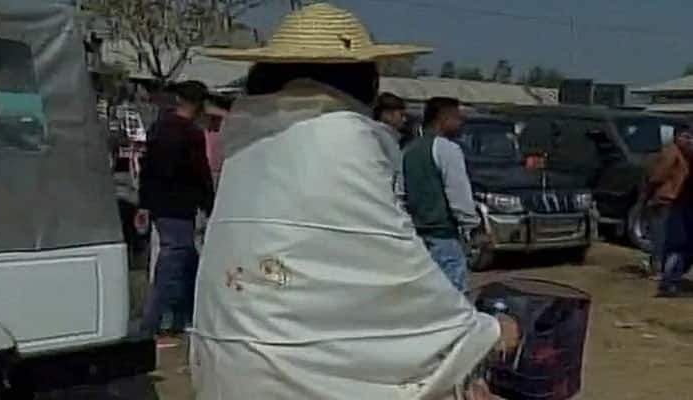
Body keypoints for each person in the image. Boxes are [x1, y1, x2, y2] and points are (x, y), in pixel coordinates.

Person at [191, 4, 501, 400]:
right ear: (361, 78)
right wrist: (481, 331)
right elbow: (395, 264)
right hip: (300, 376)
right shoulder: (346, 136)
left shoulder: (245, 134)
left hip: (230, 357)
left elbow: (327, 262)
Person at [136, 80, 214, 336]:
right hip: (180, 206)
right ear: (199, 105)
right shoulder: (191, 133)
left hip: (160, 205)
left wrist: (144, 204)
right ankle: (153, 322)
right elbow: (200, 172)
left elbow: (146, 169)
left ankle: (186, 315)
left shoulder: (159, 128)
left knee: (187, 259)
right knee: (173, 261)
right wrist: (210, 204)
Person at [403, 97, 480, 292]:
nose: (460, 123)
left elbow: (399, 194)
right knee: (454, 299)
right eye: (456, 118)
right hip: (443, 236)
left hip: (417, 237)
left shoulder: (407, 150)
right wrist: (473, 226)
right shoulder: (448, 149)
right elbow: (458, 193)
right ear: (443, 119)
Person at [647, 127, 693, 297]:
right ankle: (666, 279)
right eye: (685, 136)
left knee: (677, 244)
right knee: (671, 242)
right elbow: (657, 175)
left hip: (678, 202)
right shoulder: (673, 153)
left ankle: (669, 278)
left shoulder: (685, 155)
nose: (688, 140)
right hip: (670, 200)